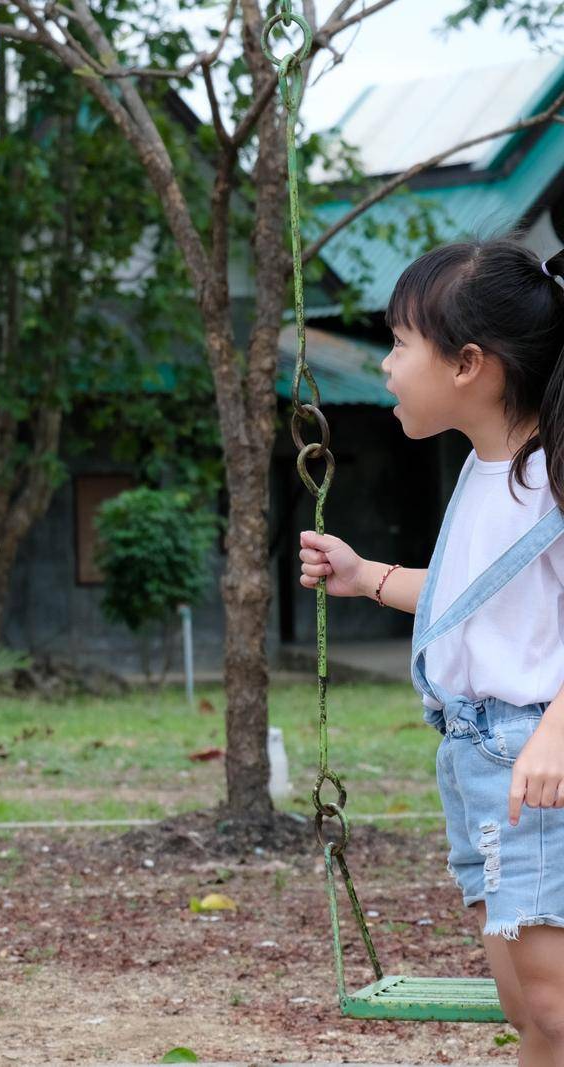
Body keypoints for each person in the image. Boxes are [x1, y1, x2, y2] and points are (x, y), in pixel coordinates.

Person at [299, 238, 564, 1057]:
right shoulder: (486, 471)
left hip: (535, 757)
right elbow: (478, 600)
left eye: (401, 341)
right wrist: (367, 575)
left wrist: (557, 728)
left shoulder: (551, 473)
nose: (385, 365)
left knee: (556, 1005)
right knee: (527, 1008)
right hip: (477, 758)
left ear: (468, 365)